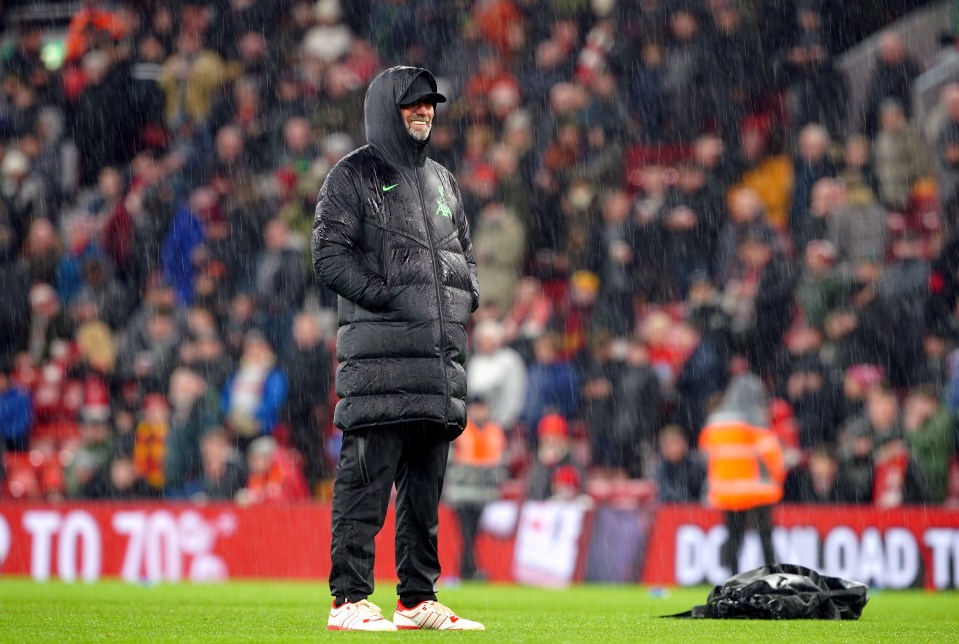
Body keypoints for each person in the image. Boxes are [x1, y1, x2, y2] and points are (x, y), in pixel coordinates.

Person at [312, 66, 484, 631]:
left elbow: (463, 254)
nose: (425, 113)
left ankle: (416, 599)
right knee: (365, 485)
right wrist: (384, 296)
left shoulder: (443, 180)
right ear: (388, 107)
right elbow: (328, 255)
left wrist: (466, 299)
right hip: (380, 362)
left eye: (430, 105)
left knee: (424, 495)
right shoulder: (352, 175)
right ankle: (349, 601)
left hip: (437, 368)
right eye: (413, 104)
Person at [698, 370, 785, 575]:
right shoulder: (754, 421)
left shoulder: (715, 422)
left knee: (734, 535)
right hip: (758, 491)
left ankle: (731, 576)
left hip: (726, 492)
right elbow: (772, 456)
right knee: (765, 535)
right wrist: (778, 479)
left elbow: (705, 453)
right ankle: (771, 573)